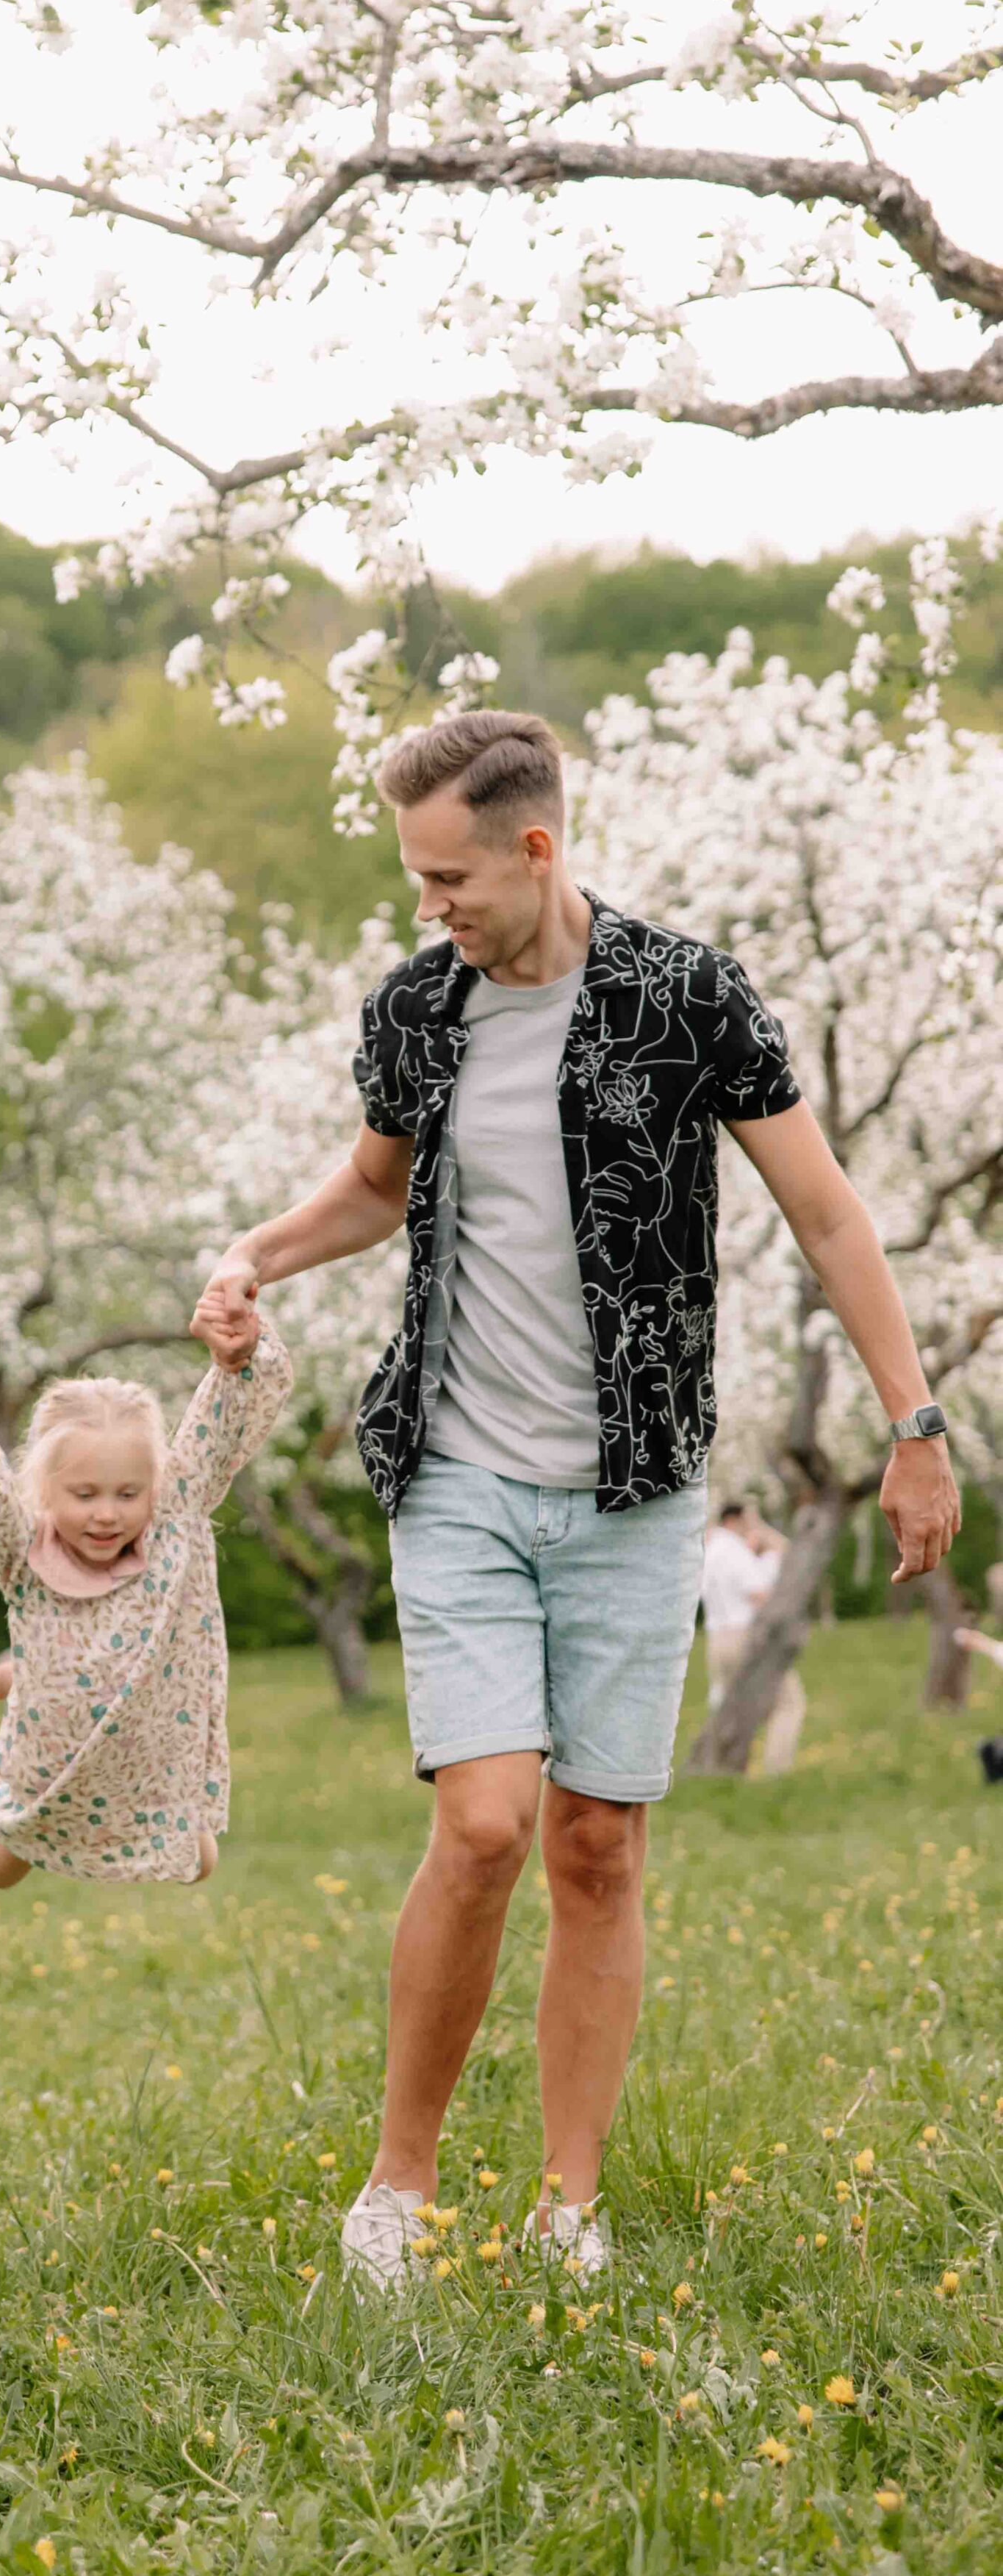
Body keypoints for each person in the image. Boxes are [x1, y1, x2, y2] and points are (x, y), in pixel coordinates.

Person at [193, 709, 959, 2286]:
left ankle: (568, 2202)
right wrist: (251, 1253)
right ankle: (396, 2189)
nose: (430, 905)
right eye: (416, 876)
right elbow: (376, 1186)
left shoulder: (687, 996)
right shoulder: (418, 1009)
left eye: (450, 874)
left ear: (536, 847)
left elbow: (823, 1210)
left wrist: (915, 1420)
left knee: (596, 1838)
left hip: (635, 1483)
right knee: (482, 1826)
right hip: (458, 1466)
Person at [0, 1308, 292, 1886]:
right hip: (48, 1756)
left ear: (156, 1486)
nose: (106, 1514)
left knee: (198, 1865)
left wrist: (232, 1358)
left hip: (148, 1763)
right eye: (84, 1493)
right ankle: (23, 1703)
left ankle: (22, 1677)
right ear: (44, 1490)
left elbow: (218, 1428)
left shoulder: (172, 1526)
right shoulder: (23, 1546)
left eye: (127, 1493)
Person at [700, 1500, 801, 1775]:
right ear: (736, 1520)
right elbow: (759, 1593)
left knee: (729, 1706)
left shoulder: (709, 1550)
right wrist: (761, 1530)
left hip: (716, 1638)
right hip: (744, 1635)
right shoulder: (732, 1550)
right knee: (788, 1703)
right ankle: (776, 1773)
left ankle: (719, 1771)